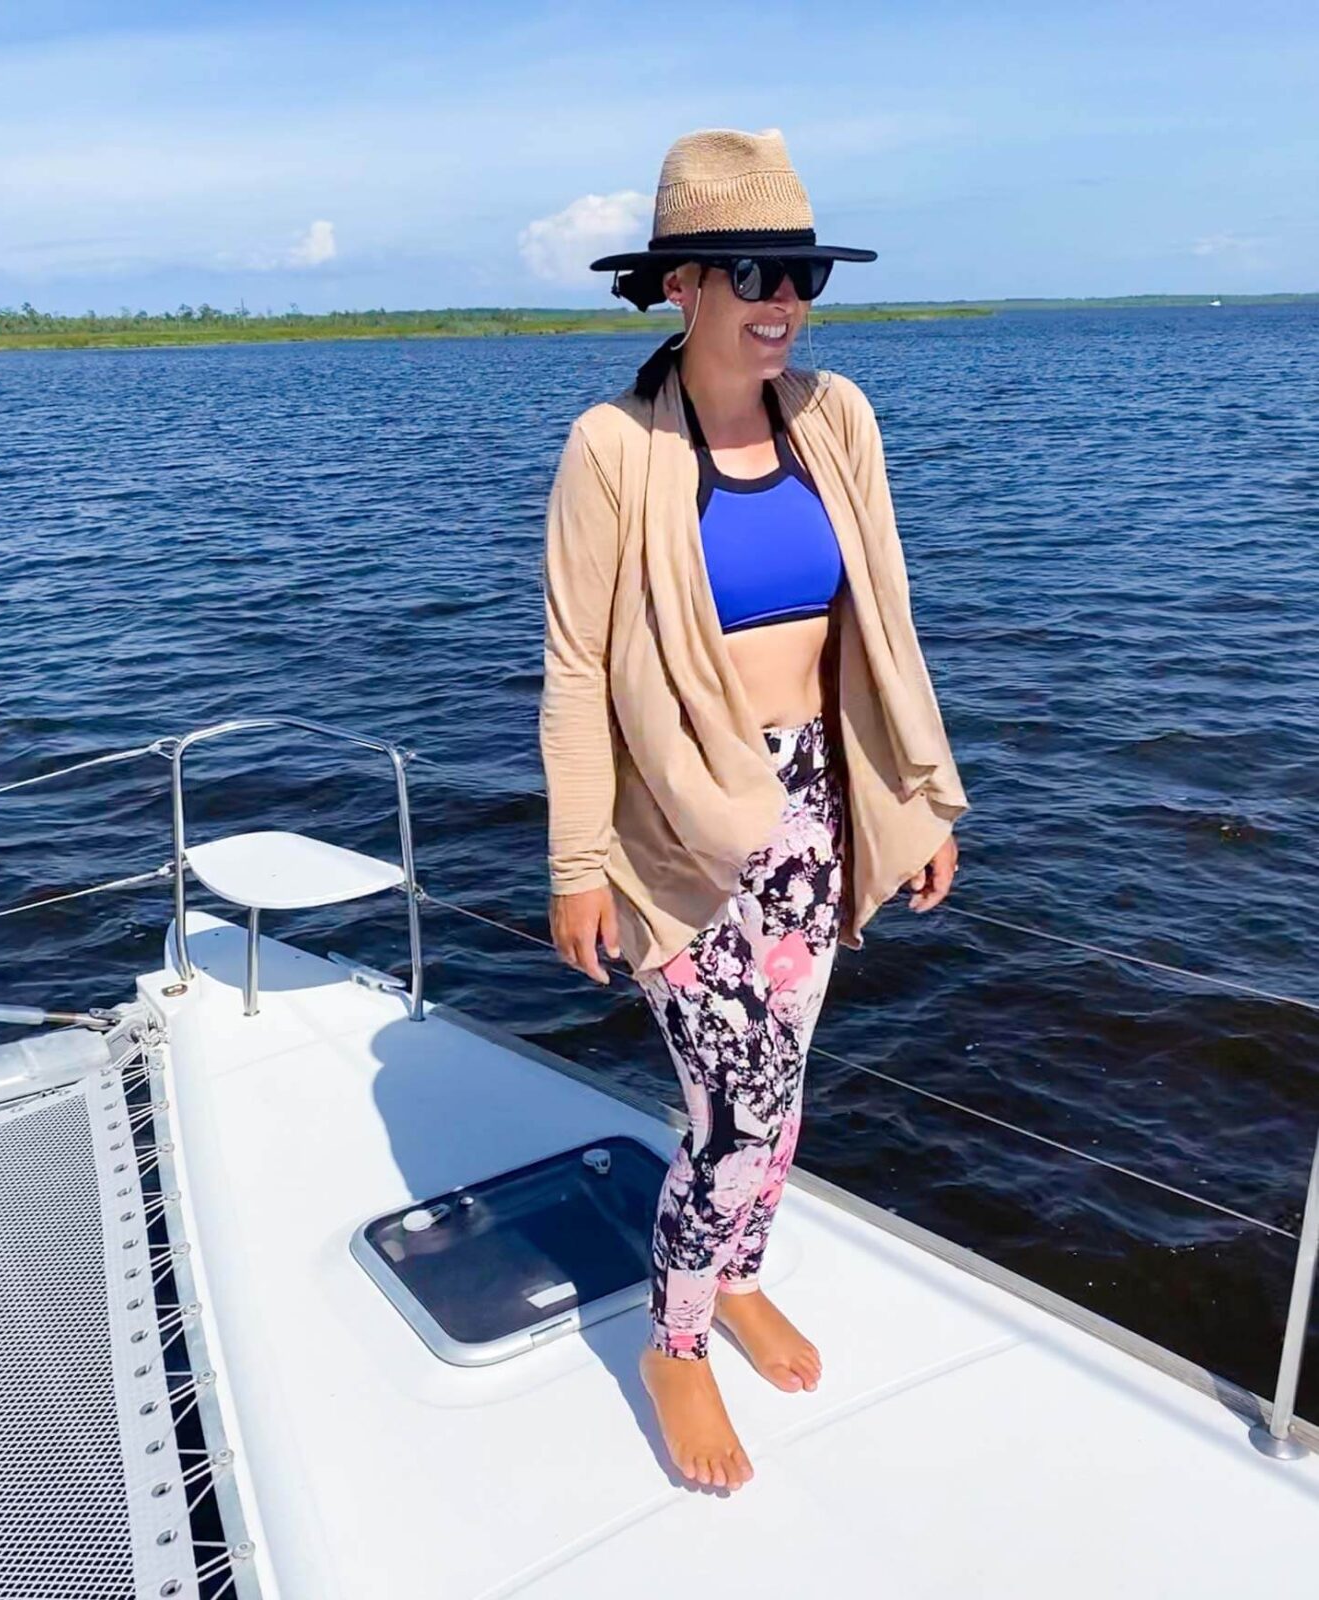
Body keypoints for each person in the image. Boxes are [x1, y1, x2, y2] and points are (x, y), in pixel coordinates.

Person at [538, 128, 969, 1493]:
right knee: (735, 1108)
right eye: (748, 270)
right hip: (677, 830)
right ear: (679, 283)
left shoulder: (833, 417)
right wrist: (574, 864)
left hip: (817, 813)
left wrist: (916, 797)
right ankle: (675, 1338)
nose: (778, 299)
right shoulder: (611, 446)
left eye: (799, 272)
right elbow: (572, 671)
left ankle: (736, 1276)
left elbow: (885, 623)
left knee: (778, 1105)